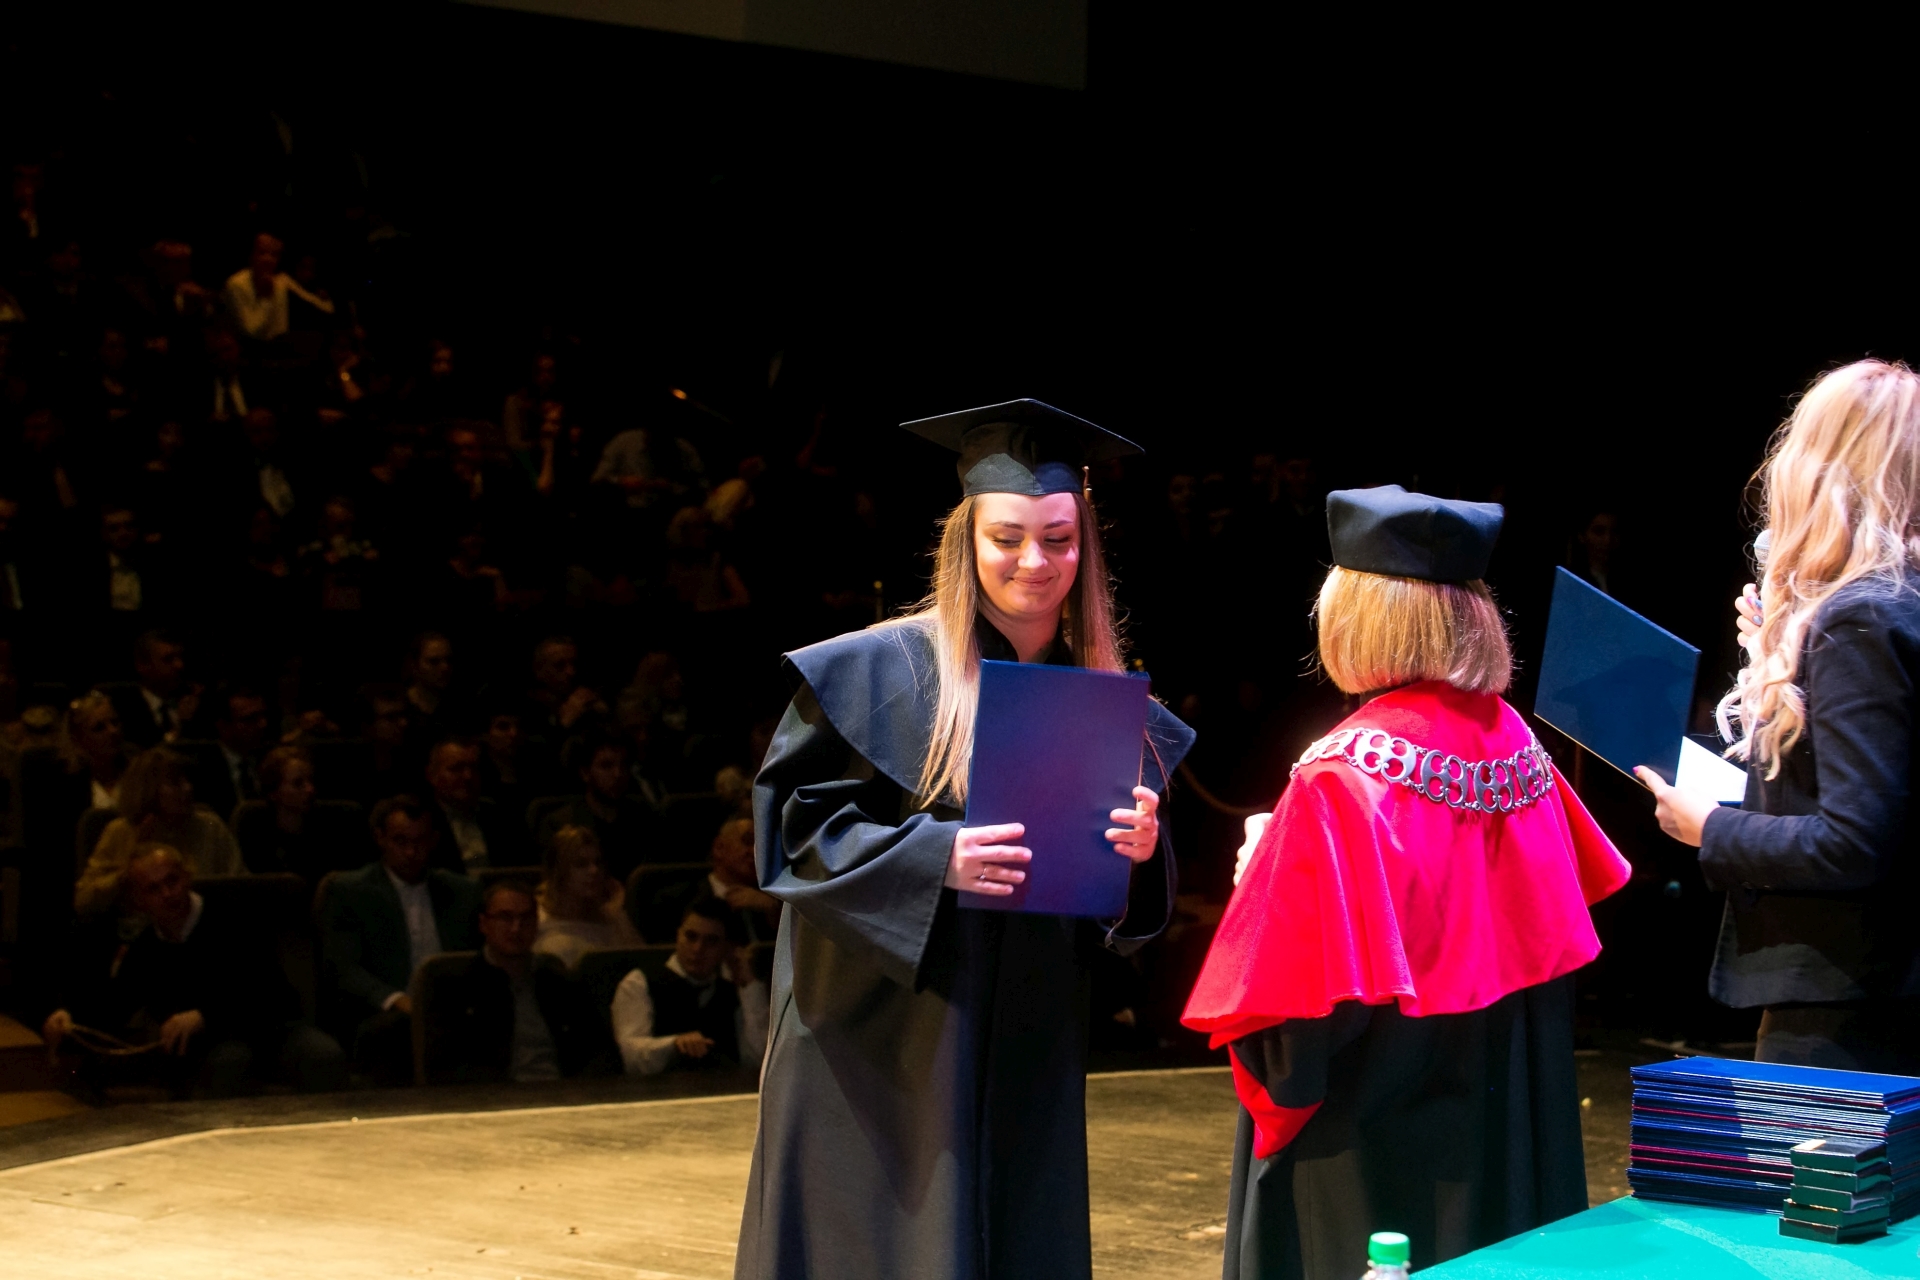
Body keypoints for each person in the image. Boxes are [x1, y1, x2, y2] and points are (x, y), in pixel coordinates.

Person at [734, 402, 1194, 1280]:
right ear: (966, 541)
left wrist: (1136, 854)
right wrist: (933, 857)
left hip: (1024, 1036)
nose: (1035, 562)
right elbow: (793, 832)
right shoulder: (877, 671)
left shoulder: (1098, 699)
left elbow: (1117, 910)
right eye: (1007, 538)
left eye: (1059, 540)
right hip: (878, 1041)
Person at [1180, 485, 1631, 1279]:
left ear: (1358, 615)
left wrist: (1262, 877)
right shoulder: (1519, 747)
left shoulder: (1340, 778)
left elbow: (1289, 1046)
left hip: (1373, 1158)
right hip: (1499, 1137)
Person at [1641, 359, 1920, 1073]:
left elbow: (1856, 842)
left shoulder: (1860, 619)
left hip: (1851, 1002)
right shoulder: (1891, 605)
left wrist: (1712, 828)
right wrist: (1783, 652)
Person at [44, 845, 344, 1096]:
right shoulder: (146, 949)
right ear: (139, 901)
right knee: (228, 1062)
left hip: (270, 1030)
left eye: (172, 881)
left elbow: (272, 994)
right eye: (153, 889)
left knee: (323, 1055)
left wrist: (204, 1016)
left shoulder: (234, 917)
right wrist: (70, 1019)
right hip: (213, 1048)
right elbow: (114, 1007)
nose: (167, 894)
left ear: (187, 877)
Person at [319, 796, 482, 1083]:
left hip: (450, 1006)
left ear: (434, 840)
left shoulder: (461, 892)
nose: (411, 851)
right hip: (382, 1011)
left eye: (420, 841)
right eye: (400, 841)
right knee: (393, 1030)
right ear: (380, 838)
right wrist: (396, 999)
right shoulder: (350, 891)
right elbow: (343, 967)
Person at [419, 879, 617, 1084]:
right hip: (491, 1096)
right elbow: (443, 1067)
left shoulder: (560, 984)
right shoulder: (455, 987)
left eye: (526, 918)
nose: (516, 928)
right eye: (505, 918)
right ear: (484, 924)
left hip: (563, 1093)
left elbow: (600, 1053)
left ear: (536, 924)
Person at [76, 747, 244, 917]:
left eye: (187, 780)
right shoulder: (120, 832)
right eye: (175, 783)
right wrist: (127, 871)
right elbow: (84, 901)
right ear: (148, 790)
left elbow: (241, 888)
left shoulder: (211, 826)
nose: (188, 788)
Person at [613, 895, 768, 1076]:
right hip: (658, 1091)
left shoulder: (732, 992)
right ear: (678, 935)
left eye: (711, 941)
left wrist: (750, 985)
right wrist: (674, 1044)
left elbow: (759, 1059)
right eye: (691, 937)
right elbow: (631, 1057)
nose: (697, 949)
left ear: (727, 948)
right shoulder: (639, 982)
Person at [231, 745, 366, 884]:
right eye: (298, 783)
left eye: (310, 781)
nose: (310, 789)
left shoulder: (333, 830)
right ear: (273, 792)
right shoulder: (257, 835)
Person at [535, 732, 655, 880]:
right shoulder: (561, 824)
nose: (618, 774)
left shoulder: (645, 816)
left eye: (624, 765)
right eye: (606, 766)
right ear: (585, 773)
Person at [643, 815, 778, 944]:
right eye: (748, 841)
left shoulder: (774, 903)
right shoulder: (675, 900)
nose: (755, 852)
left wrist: (774, 912)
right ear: (719, 848)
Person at [534, 825, 642, 969]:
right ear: (559, 872)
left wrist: (618, 918)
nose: (594, 870)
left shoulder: (610, 916)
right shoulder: (536, 920)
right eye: (581, 864)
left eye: (597, 862)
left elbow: (638, 964)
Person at [423, 737, 525, 872]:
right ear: (432, 775)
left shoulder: (502, 816)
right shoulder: (422, 823)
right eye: (457, 768)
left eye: (474, 768)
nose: (468, 776)